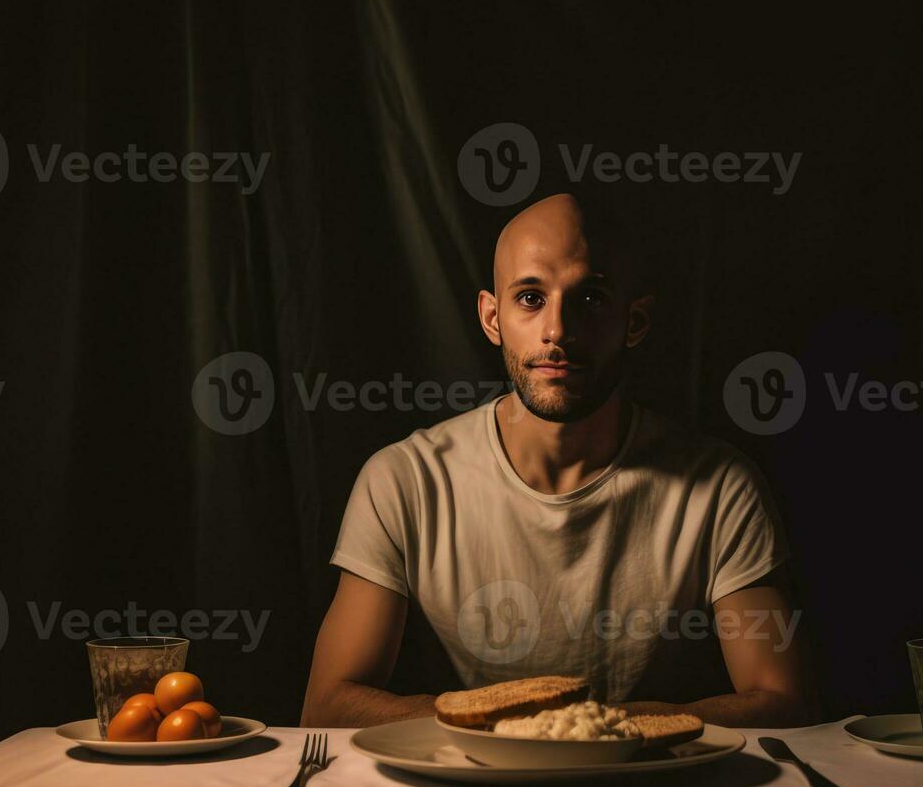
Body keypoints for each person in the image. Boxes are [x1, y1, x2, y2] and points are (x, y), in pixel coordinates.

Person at [301, 192, 816, 728]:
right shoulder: (404, 480)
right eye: (530, 298)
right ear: (491, 317)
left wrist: (575, 729)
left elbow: (781, 699)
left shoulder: (720, 486)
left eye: (590, 299)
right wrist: (535, 731)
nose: (558, 331)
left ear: (634, 321)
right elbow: (329, 704)